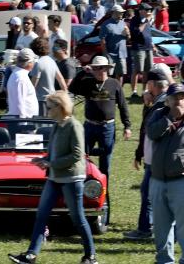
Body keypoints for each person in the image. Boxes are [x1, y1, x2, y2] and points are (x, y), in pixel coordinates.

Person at [9, 91, 98, 264]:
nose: (47, 110)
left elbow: (77, 155)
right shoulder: (57, 125)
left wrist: (52, 164)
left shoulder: (74, 126)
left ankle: (91, 256)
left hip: (72, 179)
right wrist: (44, 160)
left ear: (60, 107)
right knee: (41, 215)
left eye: (49, 107)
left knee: (78, 218)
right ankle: (31, 255)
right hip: (54, 178)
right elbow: (53, 152)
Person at [123, 69, 169, 241]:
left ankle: (145, 229)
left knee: (149, 193)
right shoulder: (159, 102)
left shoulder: (162, 104)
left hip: (157, 159)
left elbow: (146, 130)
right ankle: (147, 227)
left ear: (151, 85)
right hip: (155, 158)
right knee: (149, 193)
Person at [68, 55, 131, 179]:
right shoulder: (88, 82)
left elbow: (123, 106)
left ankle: (103, 191)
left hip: (107, 127)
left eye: (100, 68)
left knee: (105, 161)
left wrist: (127, 126)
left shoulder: (114, 84)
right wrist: (82, 73)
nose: (97, 71)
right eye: (94, 68)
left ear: (106, 69)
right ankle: (84, 184)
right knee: (82, 156)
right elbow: (72, 88)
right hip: (90, 126)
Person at [147, 82, 184, 264]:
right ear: (167, 101)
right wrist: (169, 119)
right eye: (174, 98)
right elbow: (152, 133)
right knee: (161, 228)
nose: (178, 101)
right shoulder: (159, 115)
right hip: (158, 180)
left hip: (181, 182)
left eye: (182, 97)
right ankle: (164, 261)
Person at [29, 38, 67, 115]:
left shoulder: (38, 64)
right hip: (52, 100)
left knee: (41, 125)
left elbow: (33, 86)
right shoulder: (52, 61)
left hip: (41, 100)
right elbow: (61, 80)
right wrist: (65, 96)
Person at [129, 3, 155, 98]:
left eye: (149, 10)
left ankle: (145, 90)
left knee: (147, 70)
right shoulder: (135, 20)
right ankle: (134, 91)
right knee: (137, 69)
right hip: (138, 48)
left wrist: (152, 44)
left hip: (148, 47)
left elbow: (148, 33)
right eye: (147, 10)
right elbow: (137, 31)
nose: (149, 12)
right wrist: (145, 21)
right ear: (141, 11)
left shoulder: (148, 21)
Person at [100, 5, 130, 84]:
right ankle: (108, 92)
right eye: (119, 13)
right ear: (113, 13)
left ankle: (118, 91)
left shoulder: (123, 24)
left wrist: (128, 34)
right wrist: (105, 53)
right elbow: (102, 40)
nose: (121, 14)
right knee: (109, 74)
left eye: (122, 13)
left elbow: (128, 38)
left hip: (122, 53)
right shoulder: (106, 24)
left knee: (120, 74)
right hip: (110, 54)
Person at [6, 48, 39, 118]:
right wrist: (23, 124)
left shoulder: (19, 75)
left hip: (24, 121)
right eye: (33, 62)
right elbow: (19, 104)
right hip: (23, 123)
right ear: (29, 63)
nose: (33, 64)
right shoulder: (21, 78)